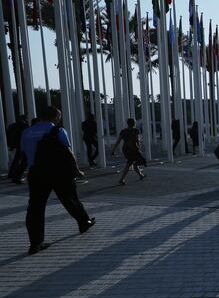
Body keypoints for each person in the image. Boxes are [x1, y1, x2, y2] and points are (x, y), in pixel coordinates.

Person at [20, 106, 95, 255]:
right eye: (59, 116)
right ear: (55, 116)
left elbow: (23, 153)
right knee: (70, 199)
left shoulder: (27, 132)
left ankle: (35, 243)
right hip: (59, 172)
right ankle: (83, 222)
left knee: (35, 207)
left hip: (36, 173)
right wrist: (77, 170)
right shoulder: (58, 131)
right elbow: (68, 152)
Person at [112, 118, 147, 185]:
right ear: (134, 123)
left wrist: (113, 150)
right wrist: (139, 148)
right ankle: (121, 179)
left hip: (125, 149)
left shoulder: (123, 131)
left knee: (133, 162)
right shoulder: (135, 130)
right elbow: (137, 140)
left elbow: (118, 141)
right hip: (133, 149)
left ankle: (141, 175)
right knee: (131, 163)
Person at [7, 114, 29, 183]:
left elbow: (8, 135)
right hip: (23, 145)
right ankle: (16, 176)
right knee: (24, 161)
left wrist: (11, 145)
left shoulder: (12, 126)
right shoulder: (25, 126)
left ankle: (11, 174)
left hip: (16, 144)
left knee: (16, 160)